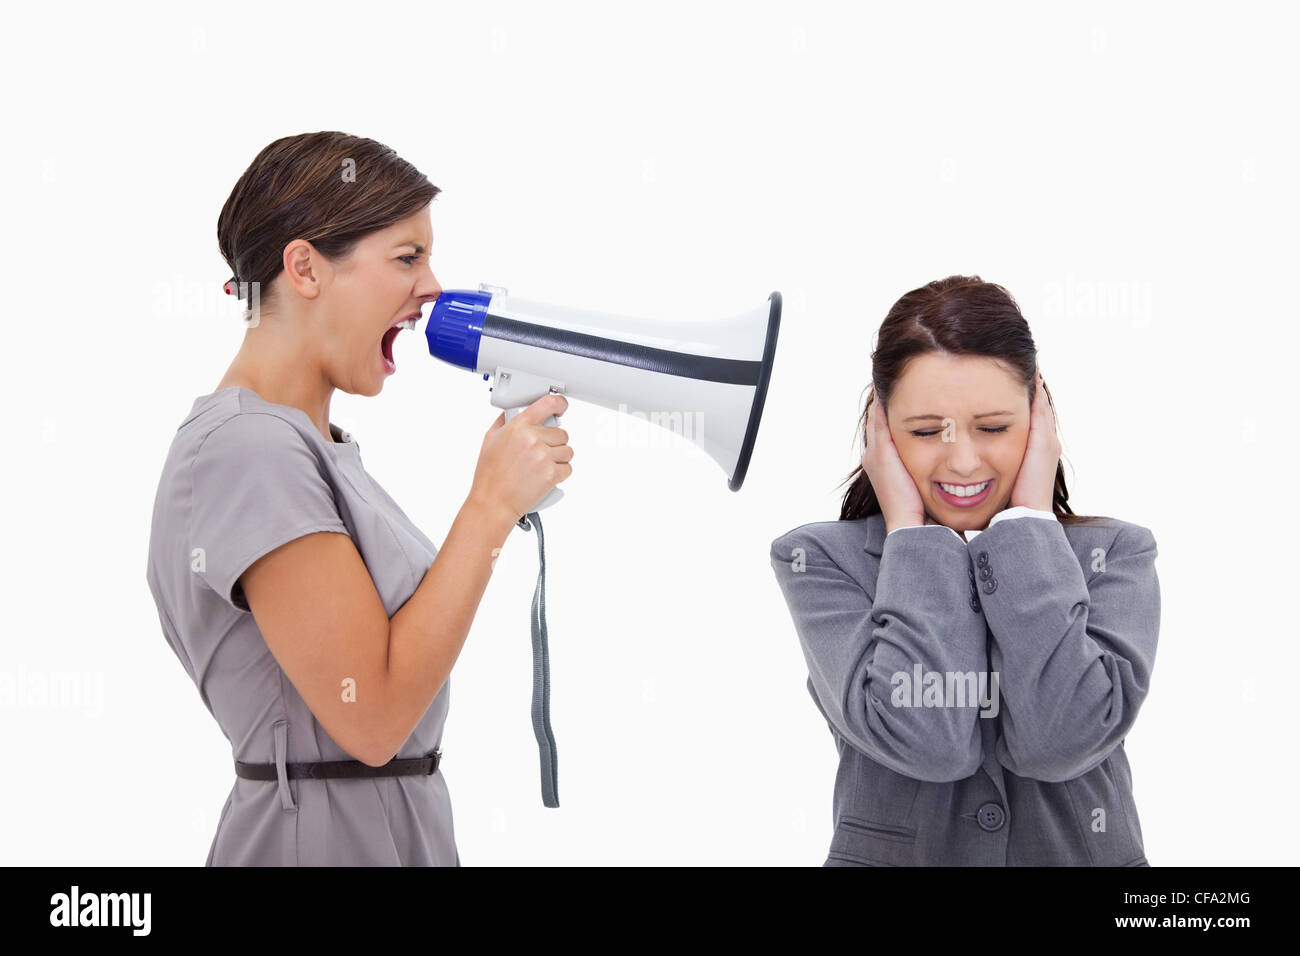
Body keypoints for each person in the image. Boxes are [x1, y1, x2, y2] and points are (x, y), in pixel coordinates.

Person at [145, 131, 574, 865]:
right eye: (407, 257)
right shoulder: (248, 449)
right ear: (305, 268)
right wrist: (490, 508)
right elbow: (370, 717)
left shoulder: (315, 447)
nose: (434, 286)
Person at [769, 275, 1160, 866]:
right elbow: (929, 744)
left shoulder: (1117, 556)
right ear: (880, 428)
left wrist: (1027, 525)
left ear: (1039, 420)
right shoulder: (822, 562)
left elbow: (1059, 741)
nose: (962, 461)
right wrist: (911, 534)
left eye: (994, 428)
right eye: (926, 432)